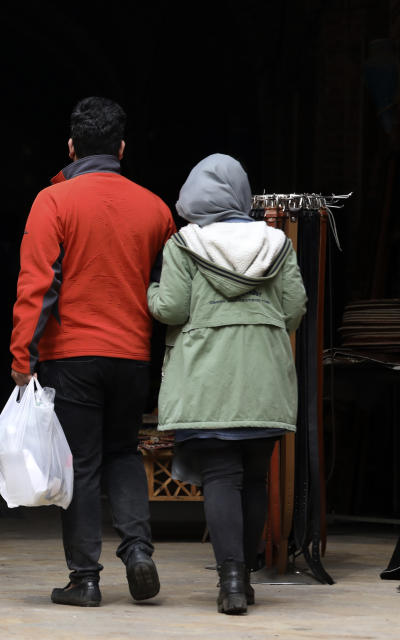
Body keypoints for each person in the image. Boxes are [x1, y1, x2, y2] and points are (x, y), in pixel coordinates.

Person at [9, 97, 175, 607]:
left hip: (72, 354)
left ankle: (85, 578)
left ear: (71, 147)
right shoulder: (156, 207)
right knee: (124, 452)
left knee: (79, 463)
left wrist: (22, 358)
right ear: (121, 147)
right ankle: (139, 550)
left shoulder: (53, 201)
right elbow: (167, 290)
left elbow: (38, 285)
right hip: (132, 354)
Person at [148, 153, 306, 614]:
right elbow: (295, 308)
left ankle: (231, 582)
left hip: (207, 378)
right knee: (253, 478)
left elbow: (172, 309)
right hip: (265, 378)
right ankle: (245, 576)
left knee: (220, 476)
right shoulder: (277, 243)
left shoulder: (183, 245)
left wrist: (150, 292)